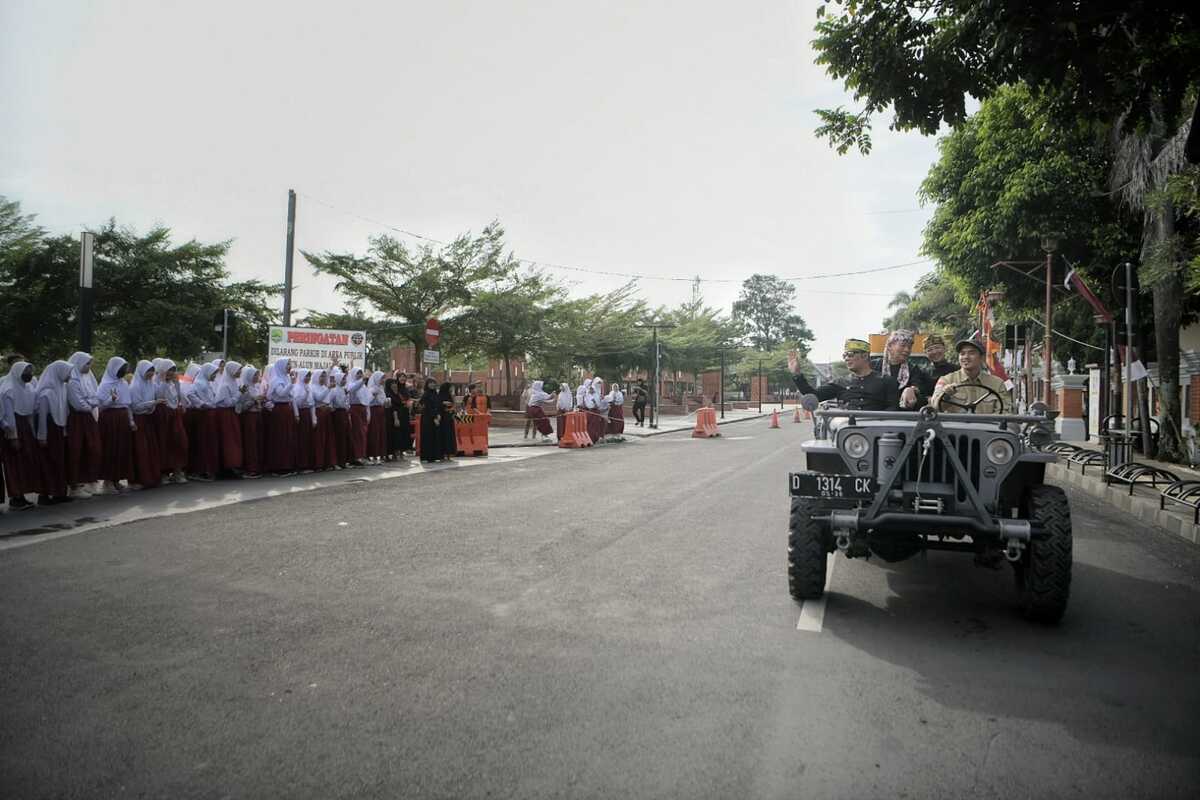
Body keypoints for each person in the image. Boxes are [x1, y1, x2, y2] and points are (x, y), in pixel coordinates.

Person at [788, 340, 899, 411]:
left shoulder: (886, 381)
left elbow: (893, 409)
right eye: (844, 355)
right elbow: (814, 395)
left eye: (850, 354)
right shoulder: (840, 383)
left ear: (865, 356)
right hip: (846, 434)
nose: (846, 358)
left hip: (877, 436)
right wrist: (797, 374)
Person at [931, 337, 1012, 414]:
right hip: (956, 427)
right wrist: (946, 395)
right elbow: (935, 407)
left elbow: (1004, 412)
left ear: (982, 358)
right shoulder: (946, 380)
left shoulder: (997, 384)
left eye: (971, 353)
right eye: (962, 354)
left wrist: (986, 424)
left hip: (987, 427)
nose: (966, 357)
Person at [2, 361, 41, 509]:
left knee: (25, 462)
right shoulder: (9, 390)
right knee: (14, 464)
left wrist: (32, 432)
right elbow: (8, 415)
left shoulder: (28, 388)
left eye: (30, 371)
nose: (29, 375)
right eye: (26, 371)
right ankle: (15, 498)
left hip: (25, 427)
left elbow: (30, 411)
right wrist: (13, 437)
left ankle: (22, 495)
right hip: (14, 430)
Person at [33, 360, 73, 505]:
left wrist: (64, 430)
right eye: (68, 372)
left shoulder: (62, 387)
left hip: (58, 430)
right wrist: (42, 437)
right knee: (48, 462)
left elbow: (64, 411)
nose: (70, 375)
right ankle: (44, 495)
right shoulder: (46, 393)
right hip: (49, 431)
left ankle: (59, 493)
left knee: (59, 462)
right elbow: (42, 417)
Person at [96, 357, 136, 494]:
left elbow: (127, 404)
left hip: (122, 418)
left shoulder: (124, 383)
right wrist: (111, 399)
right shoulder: (104, 385)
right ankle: (107, 482)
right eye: (121, 368)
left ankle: (116, 480)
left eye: (125, 368)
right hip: (110, 419)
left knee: (121, 449)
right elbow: (100, 406)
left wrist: (131, 421)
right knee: (110, 449)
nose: (123, 371)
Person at [66, 352, 103, 497]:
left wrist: (91, 402)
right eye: (87, 364)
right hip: (77, 419)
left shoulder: (88, 378)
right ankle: (75, 486)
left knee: (93, 449)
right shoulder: (72, 380)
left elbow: (96, 396)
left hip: (89, 418)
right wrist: (92, 402)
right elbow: (79, 404)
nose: (89, 367)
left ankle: (90, 481)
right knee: (78, 451)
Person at [153, 359, 189, 484]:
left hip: (175, 415)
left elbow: (179, 397)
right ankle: (163, 473)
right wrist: (163, 380)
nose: (171, 373)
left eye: (173, 370)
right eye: (169, 370)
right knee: (164, 443)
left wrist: (177, 383)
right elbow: (159, 395)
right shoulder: (157, 382)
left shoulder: (174, 383)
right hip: (163, 415)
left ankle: (177, 471)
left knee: (179, 442)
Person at [129, 360, 163, 490]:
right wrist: (152, 403)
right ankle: (139, 479)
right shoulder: (135, 386)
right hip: (139, 420)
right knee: (140, 450)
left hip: (148, 419)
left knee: (150, 449)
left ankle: (151, 477)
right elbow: (136, 407)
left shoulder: (151, 384)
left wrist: (152, 406)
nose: (151, 374)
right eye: (148, 371)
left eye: (152, 371)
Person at [882, 329, 933, 409]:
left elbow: (918, 386)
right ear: (890, 346)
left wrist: (910, 390)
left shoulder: (913, 369)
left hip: (903, 417)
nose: (907, 350)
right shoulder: (874, 366)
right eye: (903, 345)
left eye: (909, 347)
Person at [187, 363, 220, 481]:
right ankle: (200, 470)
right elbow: (189, 394)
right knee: (203, 442)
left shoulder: (206, 383)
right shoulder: (199, 383)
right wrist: (201, 404)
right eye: (214, 373)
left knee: (208, 443)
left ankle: (207, 469)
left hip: (209, 415)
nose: (215, 375)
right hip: (203, 416)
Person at [264, 357, 297, 476]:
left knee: (287, 438)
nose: (289, 367)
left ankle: (287, 465)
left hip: (286, 410)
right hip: (279, 411)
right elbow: (281, 393)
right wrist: (291, 384)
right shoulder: (276, 380)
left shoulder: (286, 378)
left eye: (290, 364)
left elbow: (291, 396)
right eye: (287, 364)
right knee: (280, 438)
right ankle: (278, 467)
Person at [213, 361, 246, 476]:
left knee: (234, 440)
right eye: (238, 370)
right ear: (232, 370)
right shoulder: (224, 385)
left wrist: (241, 394)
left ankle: (233, 465)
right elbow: (227, 403)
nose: (240, 372)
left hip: (232, 414)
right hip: (225, 415)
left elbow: (236, 401)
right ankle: (226, 467)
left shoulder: (235, 383)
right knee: (228, 440)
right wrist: (239, 394)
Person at [237, 365, 264, 478]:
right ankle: (250, 469)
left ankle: (257, 467)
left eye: (258, 374)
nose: (257, 377)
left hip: (257, 415)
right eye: (254, 375)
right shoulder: (245, 389)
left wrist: (262, 401)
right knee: (250, 443)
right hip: (249, 417)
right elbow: (241, 407)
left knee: (257, 442)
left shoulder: (256, 387)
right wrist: (254, 400)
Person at [292, 369, 316, 473]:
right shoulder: (297, 387)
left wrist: (314, 418)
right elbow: (297, 403)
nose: (308, 378)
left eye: (309, 376)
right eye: (306, 376)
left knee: (307, 439)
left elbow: (312, 404)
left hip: (307, 415)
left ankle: (307, 464)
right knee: (301, 439)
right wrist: (297, 415)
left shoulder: (308, 387)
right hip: (301, 415)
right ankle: (301, 465)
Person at [347, 367, 370, 466]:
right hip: (355, 409)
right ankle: (356, 456)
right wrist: (362, 381)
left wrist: (368, 413)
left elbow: (366, 400)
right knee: (357, 433)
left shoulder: (363, 386)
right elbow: (352, 389)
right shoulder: (351, 384)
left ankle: (362, 455)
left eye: (361, 373)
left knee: (363, 433)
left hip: (362, 410)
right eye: (358, 373)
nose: (360, 375)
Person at [384, 377, 410, 462]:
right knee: (391, 434)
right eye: (392, 384)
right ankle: (388, 454)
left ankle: (396, 452)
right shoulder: (388, 394)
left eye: (395, 383)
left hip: (399, 416)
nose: (395, 385)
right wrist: (396, 418)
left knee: (397, 435)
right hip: (391, 417)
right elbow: (393, 407)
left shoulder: (396, 393)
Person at [328, 368, 351, 468]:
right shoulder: (333, 391)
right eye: (342, 379)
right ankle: (337, 461)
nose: (344, 381)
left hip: (344, 414)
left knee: (345, 437)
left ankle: (343, 460)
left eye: (345, 379)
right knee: (338, 437)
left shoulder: (343, 390)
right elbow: (329, 402)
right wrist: (332, 408)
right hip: (337, 415)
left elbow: (346, 403)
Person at [418, 378, 443, 463]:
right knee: (428, 437)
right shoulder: (426, 394)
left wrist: (439, 414)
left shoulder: (435, 393)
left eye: (434, 383)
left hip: (435, 417)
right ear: (427, 384)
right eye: (430, 383)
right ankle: (427, 456)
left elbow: (438, 405)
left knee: (435, 437)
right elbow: (427, 407)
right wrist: (434, 417)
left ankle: (434, 456)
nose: (432, 384)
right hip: (427, 419)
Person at [366, 371, 387, 465]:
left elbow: (383, 400)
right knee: (374, 433)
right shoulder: (372, 388)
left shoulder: (381, 388)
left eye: (383, 378)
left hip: (381, 412)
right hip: (373, 412)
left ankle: (380, 454)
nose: (383, 380)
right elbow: (368, 401)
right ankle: (372, 454)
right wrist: (373, 395)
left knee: (381, 433)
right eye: (382, 378)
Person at [437, 381, 458, 458]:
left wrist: (453, 398)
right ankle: (443, 452)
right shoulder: (440, 395)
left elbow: (454, 405)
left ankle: (450, 452)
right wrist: (443, 403)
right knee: (443, 434)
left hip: (449, 417)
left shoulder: (450, 395)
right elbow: (437, 405)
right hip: (443, 417)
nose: (451, 389)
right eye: (450, 387)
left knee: (450, 435)